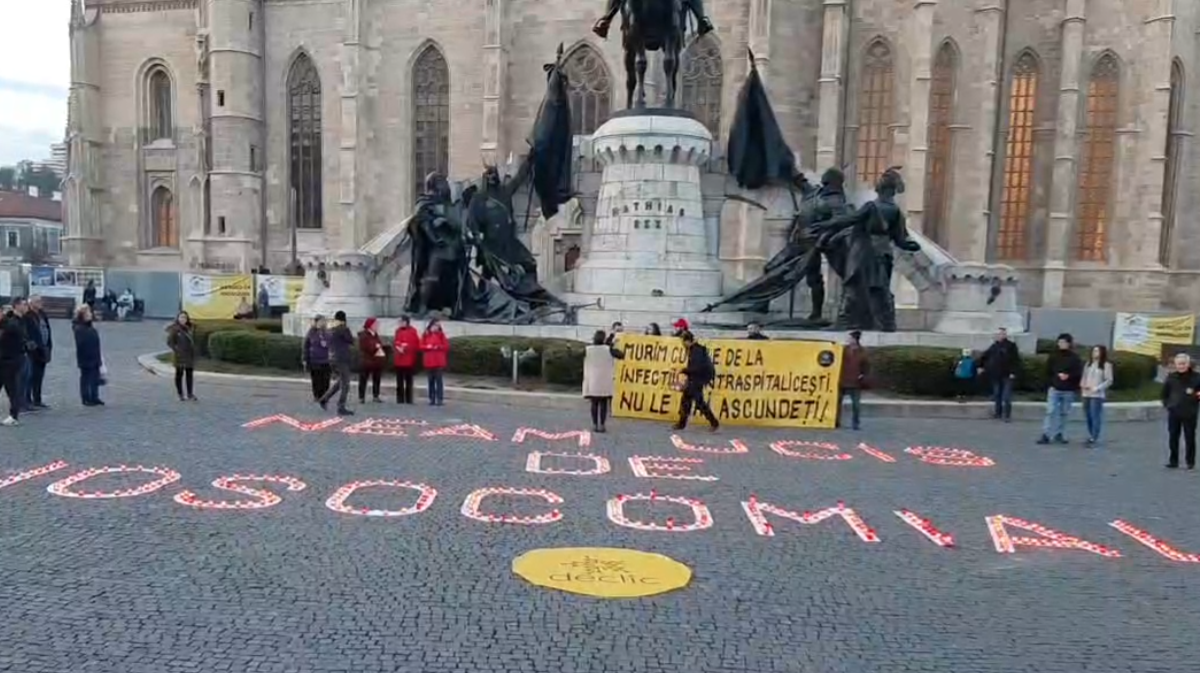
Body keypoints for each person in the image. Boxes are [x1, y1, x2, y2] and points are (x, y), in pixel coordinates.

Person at [1037, 333, 1083, 445]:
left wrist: (1069, 376)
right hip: (1055, 388)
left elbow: (1079, 373)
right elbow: (1047, 371)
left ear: (1069, 344)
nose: (1061, 344)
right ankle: (1046, 434)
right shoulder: (1053, 356)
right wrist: (1051, 382)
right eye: (1059, 342)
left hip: (1068, 389)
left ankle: (1059, 434)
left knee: (1064, 413)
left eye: (1063, 342)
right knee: (1050, 411)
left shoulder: (1075, 358)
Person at [673, 331, 720, 432]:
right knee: (687, 400)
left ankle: (714, 422)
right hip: (696, 379)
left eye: (683, 342)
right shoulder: (696, 349)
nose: (682, 344)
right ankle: (682, 423)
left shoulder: (696, 351)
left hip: (698, 379)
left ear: (687, 341)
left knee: (697, 402)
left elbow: (696, 368)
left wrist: (683, 370)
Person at [1161, 353, 1200, 469]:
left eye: (1183, 364)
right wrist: (1167, 405)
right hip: (1174, 412)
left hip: (1190, 412)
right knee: (1173, 437)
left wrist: (1195, 395)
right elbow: (1164, 393)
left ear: (1188, 364)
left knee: (1189, 437)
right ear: (1175, 365)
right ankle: (1173, 461)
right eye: (1179, 364)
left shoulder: (1197, 377)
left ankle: (1190, 461)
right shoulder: (1171, 377)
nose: (1181, 366)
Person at [583, 329, 625, 433]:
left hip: (592, 379)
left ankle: (594, 424)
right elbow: (621, 355)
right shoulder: (608, 349)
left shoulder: (588, 349)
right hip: (605, 380)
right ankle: (602, 424)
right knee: (603, 404)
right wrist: (612, 344)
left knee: (594, 403)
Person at [317, 310, 356, 416]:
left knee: (340, 382)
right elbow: (351, 340)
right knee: (345, 384)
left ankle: (324, 399)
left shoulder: (331, 329)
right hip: (342, 359)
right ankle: (341, 406)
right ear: (344, 320)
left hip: (332, 358)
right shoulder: (343, 329)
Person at [979, 327, 1021, 421]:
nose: (1001, 335)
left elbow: (1016, 360)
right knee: (997, 394)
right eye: (999, 334)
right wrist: (981, 366)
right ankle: (998, 413)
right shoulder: (994, 346)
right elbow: (985, 356)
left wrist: (1013, 372)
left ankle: (1007, 415)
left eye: (1003, 334)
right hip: (996, 375)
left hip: (1007, 374)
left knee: (1006, 396)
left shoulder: (1011, 346)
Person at [0, 300, 29, 425]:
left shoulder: (10, 324)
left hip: (10, 361)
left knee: (11, 389)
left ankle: (13, 415)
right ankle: (13, 415)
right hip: (5, 360)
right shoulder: (9, 322)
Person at [1081, 345, 1114, 446]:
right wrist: (1083, 385)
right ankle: (1091, 434)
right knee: (1088, 416)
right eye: (1093, 351)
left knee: (1095, 415)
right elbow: (1084, 377)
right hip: (1086, 393)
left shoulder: (1106, 365)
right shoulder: (1088, 364)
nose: (1094, 353)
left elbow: (1109, 380)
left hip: (1097, 395)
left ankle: (1094, 437)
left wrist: (1098, 388)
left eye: (1097, 351)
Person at [72, 304, 104, 407]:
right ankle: (86, 398)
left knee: (95, 376)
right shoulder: (79, 327)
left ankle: (94, 396)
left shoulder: (89, 326)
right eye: (88, 313)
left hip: (95, 355)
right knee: (86, 377)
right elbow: (82, 343)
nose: (91, 314)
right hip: (86, 356)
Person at [24, 295, 51, 410]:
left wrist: (49, 346)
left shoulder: (42, 315)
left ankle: (37, 399)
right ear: (31, 303)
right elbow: (27, 334)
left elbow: (47, 330)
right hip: (33, 351)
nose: (40, 303)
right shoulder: (28, 316)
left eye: (40, 301)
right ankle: (26, 400)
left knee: (39, 376)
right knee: (30, 376)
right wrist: (32, 346)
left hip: (44, 348)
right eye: (37, 301)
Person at [838, 330, 869, 430]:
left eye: (850, 338)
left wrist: (862, 376)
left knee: (856, 405)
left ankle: (855, 423)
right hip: (842, 380)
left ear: (855, 339)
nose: (848, 340)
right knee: (837, 403)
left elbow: (866, 366)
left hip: (855, 383)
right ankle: (836, 421)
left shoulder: (862, 352)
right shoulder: (843, 350)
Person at [166, 311, 198, 401]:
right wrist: (177, 350)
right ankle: (180, 394)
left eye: (185, 317)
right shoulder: (175, 329)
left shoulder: (191, 328)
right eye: (181, 317)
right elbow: (170, 342)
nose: (183, 319)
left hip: (189, 355)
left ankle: (190, 394)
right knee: (179, 375)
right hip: (179, 356)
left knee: (189, 374)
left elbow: (194, 341)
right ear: (178, 318)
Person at [302, 315, 331, 402]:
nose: (322, 323)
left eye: (324, 321)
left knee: (326, 380)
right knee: (316, 380)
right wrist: (305, 359)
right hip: (315, 360)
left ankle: (325, 395)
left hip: (326, 360)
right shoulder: (311, 333)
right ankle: (317, 396)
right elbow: (305, 346)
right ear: (316, 322)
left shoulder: (327, 333)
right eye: (321, 321)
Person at [357, 317, 386, 404]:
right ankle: (361, 397)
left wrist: (379, 346)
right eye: (375, 324)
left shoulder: (375, 334)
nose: (377, 326)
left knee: (377, 379)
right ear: (370, 325)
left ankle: (376, 395)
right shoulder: (364, 335)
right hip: (367, 361)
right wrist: (375, 347)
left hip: (376, 360)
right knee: (363, 379)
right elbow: (366, 347)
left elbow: (379, 343)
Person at [392, 316, 420, 404]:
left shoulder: (413, 331)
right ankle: (400, 399)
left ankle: (409, 398)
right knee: (399, 381)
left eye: (401, 322)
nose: (400, 324)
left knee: (409, 381)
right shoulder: (398, 331)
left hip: (409, 359)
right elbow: (395, 341)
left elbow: (416, 344)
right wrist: (398, 347)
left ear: (406, 322)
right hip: (399, 359)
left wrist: (406, 347)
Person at [421, 319, 450, 406]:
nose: (436, 327)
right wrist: (428, 347)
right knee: (431, 381)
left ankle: (439, 399)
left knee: (439, 381)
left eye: (437, 326)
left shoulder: (441, 335)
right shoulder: (426, 335)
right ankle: (431, 398)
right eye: (435, 325)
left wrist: (438, 347)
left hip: (439, 361)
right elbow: (421, 346)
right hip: (429, 361)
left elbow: (446, 346)